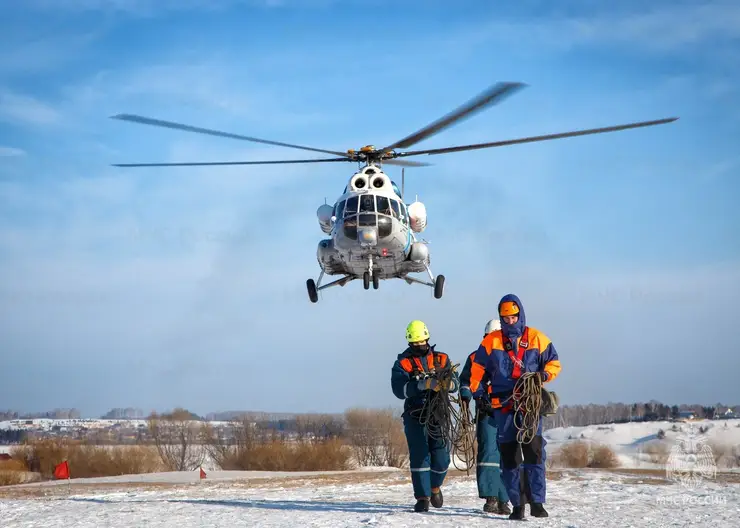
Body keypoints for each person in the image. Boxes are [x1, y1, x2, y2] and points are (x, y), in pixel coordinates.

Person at [467, 294, 561, 520]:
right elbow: (477, 371)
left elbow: (554, 362)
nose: (510, 321)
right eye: (505, 317)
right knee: (509, 457)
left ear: (521, 315)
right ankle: (517, 505)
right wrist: (478, 393)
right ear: (501, 317)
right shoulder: (491, 342)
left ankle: (537, 502)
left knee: (534, 453)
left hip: (529, 404)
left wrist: (544, 375)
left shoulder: (538, 338)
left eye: (514, 317)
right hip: (503, 406)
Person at [391, 320, 460, 513]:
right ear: (409, 343)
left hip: (438, 413)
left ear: (428, 339)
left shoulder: (442, 359)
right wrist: (422, 385)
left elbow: (454, 382)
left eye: (422, 342)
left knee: (442, 458)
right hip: (415, 414)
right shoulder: (401, 364)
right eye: (415, 344)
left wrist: (446, 384)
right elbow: (399, 389)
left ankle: (435, 487)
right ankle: (422, 497)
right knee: (420, 456)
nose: (419, 346)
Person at [459, 318, 511, 515]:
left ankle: (505, 499)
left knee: (507, 455)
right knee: (489, 454)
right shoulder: (475, 358)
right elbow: (465, 381)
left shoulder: (513, 357)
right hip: (486, 412)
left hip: (508, 413)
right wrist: (466, 397)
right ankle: (491, 497)